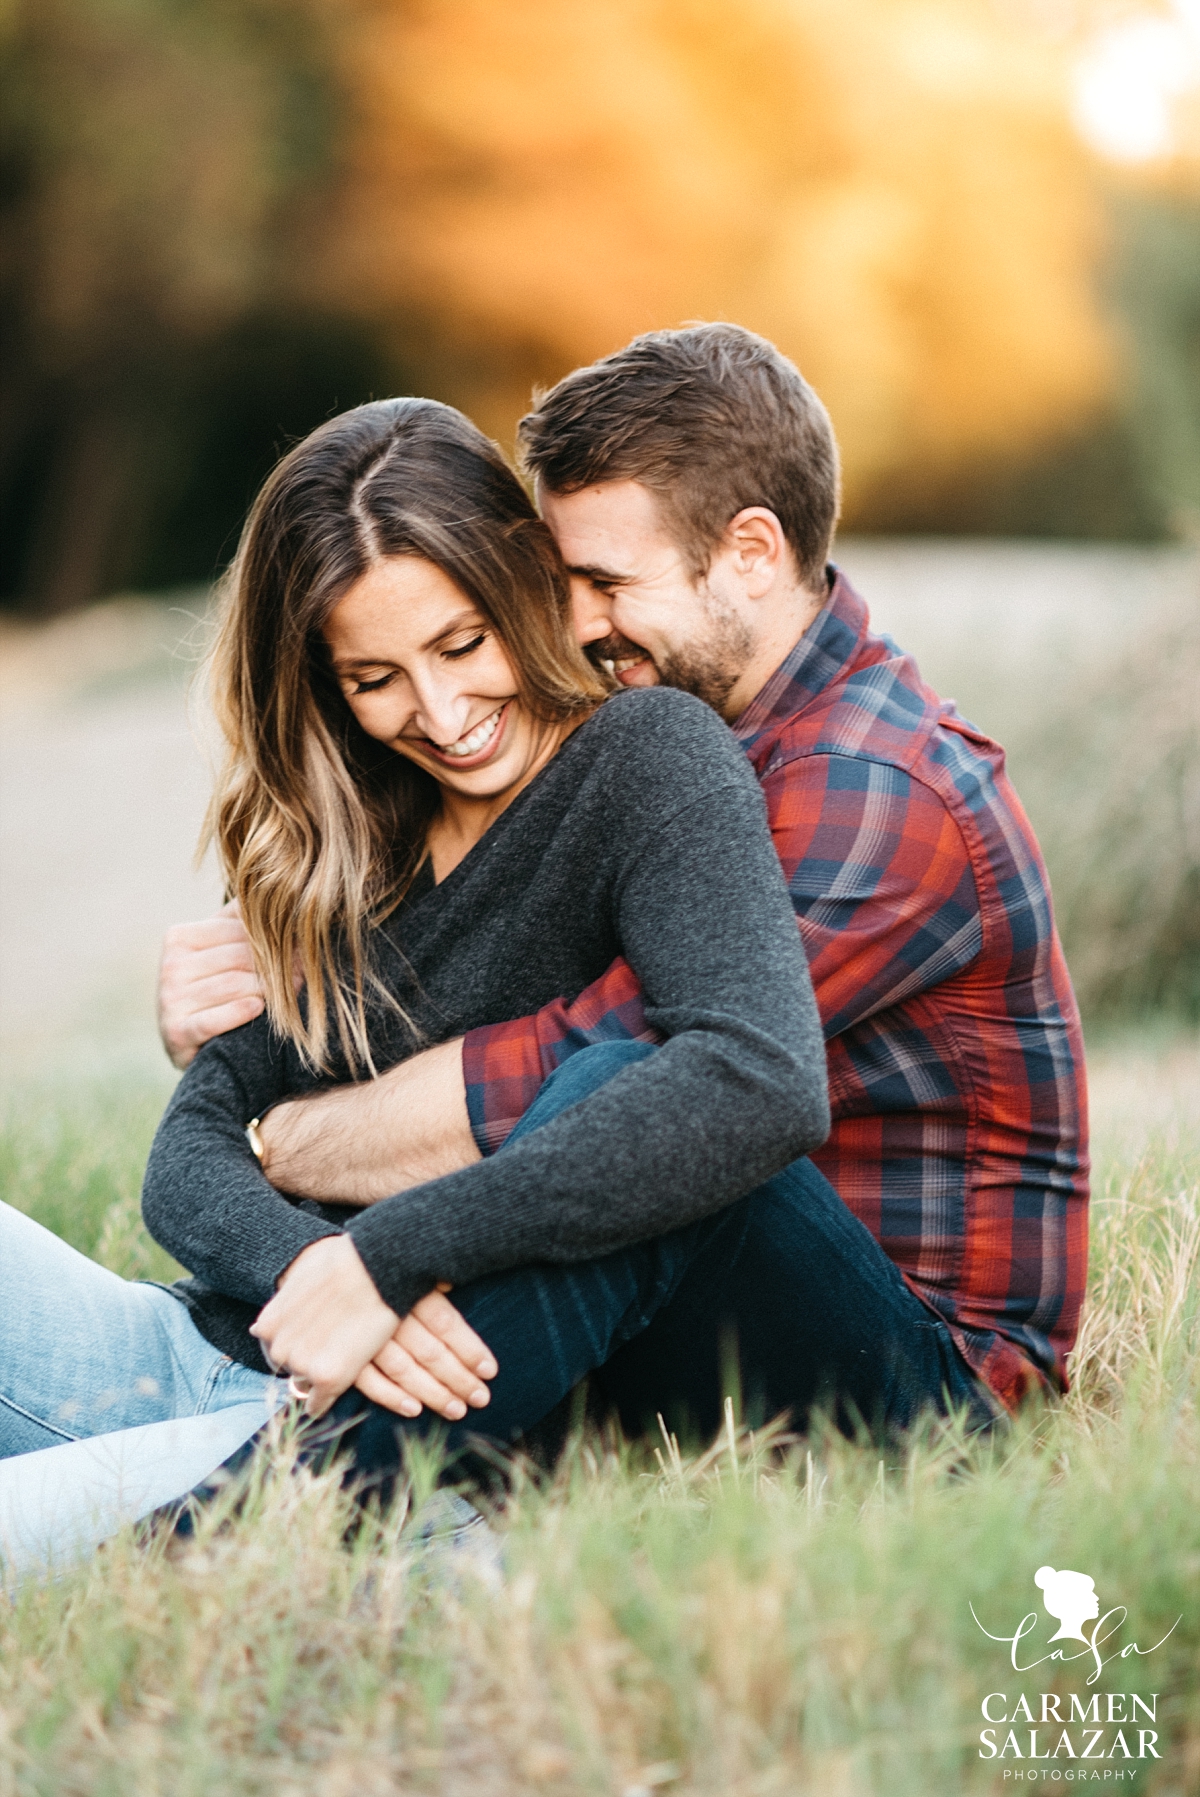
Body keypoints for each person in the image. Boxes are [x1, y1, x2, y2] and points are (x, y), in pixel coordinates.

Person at [161, 323, 1089, 1432]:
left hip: (920, 1377)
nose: (579, 623)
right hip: (701, 1315)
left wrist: (277, 1142)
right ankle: (253, 1440)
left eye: (604, 582)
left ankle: (267, 1505)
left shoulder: (871, 791)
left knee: (634, 1120)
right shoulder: (689, 748)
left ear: (750, 552)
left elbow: (588, 1081)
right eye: (560, 583)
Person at [2, 392, 854, 1565]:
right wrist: (319, 1273)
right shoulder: (354, 835)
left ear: (525, 587)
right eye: (376, 677)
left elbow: (751, 1076)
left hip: (355, 1446)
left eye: (462, 645)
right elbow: (189, 1153)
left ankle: (216, 1545)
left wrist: (386, 1267)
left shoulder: (646, 763)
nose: (442, 714)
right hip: (214, 1355)